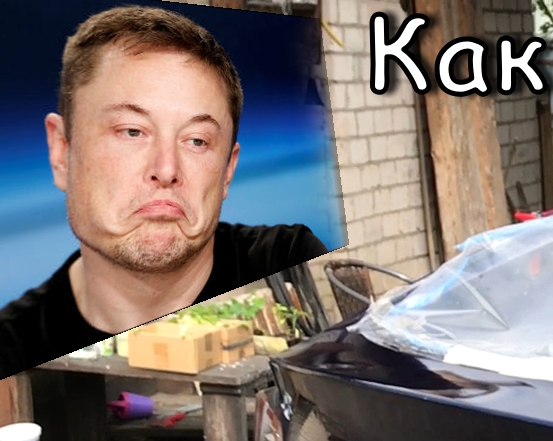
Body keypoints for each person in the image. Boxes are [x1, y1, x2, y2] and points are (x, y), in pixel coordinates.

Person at [0, 6, 328, 376]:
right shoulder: (13, 348)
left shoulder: (288, 258)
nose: (167, 170)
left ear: (227, 171)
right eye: (132, 132)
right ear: (61, 152)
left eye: (197, 140)